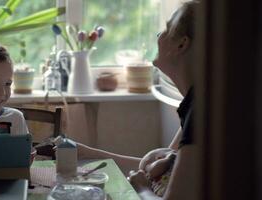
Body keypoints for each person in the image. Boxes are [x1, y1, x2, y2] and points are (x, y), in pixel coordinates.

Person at [78, 1, 199, 199]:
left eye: (167, 29)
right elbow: (152, 166)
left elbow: (151, 179)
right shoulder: (194, 104)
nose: (158, 35)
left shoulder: (200, 112)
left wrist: (141, 188)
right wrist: (84, 152)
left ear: (182, 44)